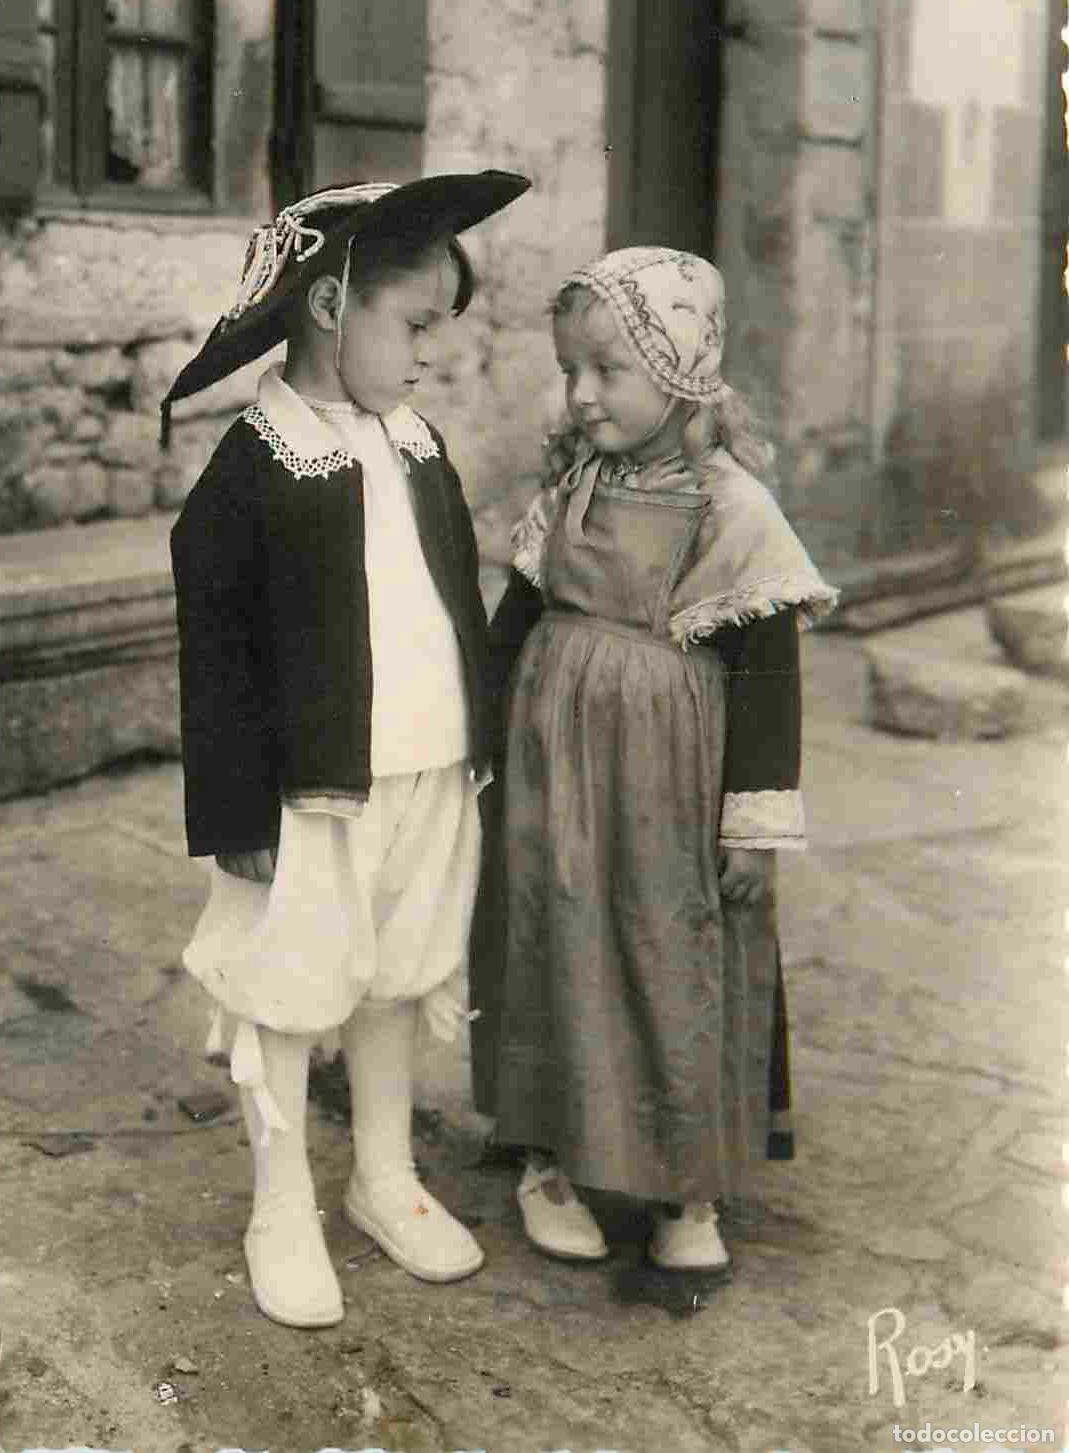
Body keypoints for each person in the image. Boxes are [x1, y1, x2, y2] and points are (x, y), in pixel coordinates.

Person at [162, 171, 530, 1328]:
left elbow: (450, 595)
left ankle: (383, 1173)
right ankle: (281, 1201)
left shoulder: (416, 444)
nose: (431, 352)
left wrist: (479, 735)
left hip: (428, 763)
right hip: (313, 787)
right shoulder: (256, 467)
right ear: (329, 306)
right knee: (289, 984)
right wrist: (235, 814)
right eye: (414, 324)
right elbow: (218, 654)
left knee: (398, 971)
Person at [470, 245, 837, 1277]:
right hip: (552, 773)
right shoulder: (575, 488)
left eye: (607, 369)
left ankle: (684, 1180)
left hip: (668, 788)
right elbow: (515, 619)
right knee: (551, 942)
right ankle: (548, 1156)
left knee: (669, 955)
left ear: (680, 369)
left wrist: (753, 824)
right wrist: (480, 742)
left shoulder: (733, 510)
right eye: (569, 370)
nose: (581, 394)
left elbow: (768, 678)